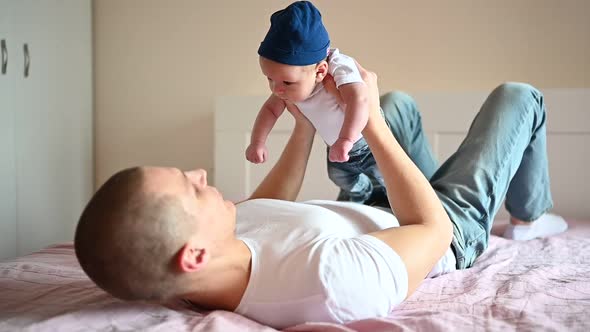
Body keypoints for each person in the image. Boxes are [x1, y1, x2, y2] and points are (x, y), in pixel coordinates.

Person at [74, 61, 567, 328]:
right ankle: (529, 216)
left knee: (399, 107)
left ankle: (407, 141)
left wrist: (304, 120)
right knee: (519, 97)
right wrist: (368, 119)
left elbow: (273, 203)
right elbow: (431, 229)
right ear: (193, 255)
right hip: (443, 229)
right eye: (191, 187)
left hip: (372, 207)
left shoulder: (212, 248)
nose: (201, 173)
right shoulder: (327, 283)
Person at [246, 1, 384, 204]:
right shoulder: (287, 86)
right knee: (340, 177)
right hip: (335, 146)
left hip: (366, 143)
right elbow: (270, 109)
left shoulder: (338, 67)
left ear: (320, 71)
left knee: (386, 177)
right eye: (269, 79)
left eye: (286, 82)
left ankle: (388, 199)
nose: (277, 89)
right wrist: (257, 142)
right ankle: (367, 193)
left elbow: (360, 98)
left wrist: (346, 139)